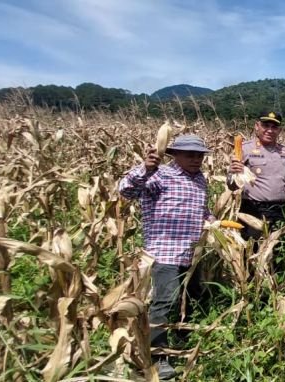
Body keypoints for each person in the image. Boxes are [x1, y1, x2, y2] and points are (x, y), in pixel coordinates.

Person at [118, 135, 212, 380]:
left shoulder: (200, 179)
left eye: (199, 155)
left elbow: (202, 211)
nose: (196, 159)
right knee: (164, 302)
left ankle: (183, 340)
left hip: (192, 252)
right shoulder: (159, 175)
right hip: (165, 252)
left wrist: (215, 224)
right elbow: (126, 190)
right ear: (174, 155)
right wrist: (145, 169)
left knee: (191, 297)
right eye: (190, 154)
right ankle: (157, 356)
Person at [228, 112, 285, 241]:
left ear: (280, 130)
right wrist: (232, 173)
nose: (270, 130)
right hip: (253, 208)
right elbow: (232, 186)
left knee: (279, 249)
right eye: (266, 125)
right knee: (251, 250)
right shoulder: (245, 149)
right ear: (257, 126)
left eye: (274, 127)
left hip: (280, 209)